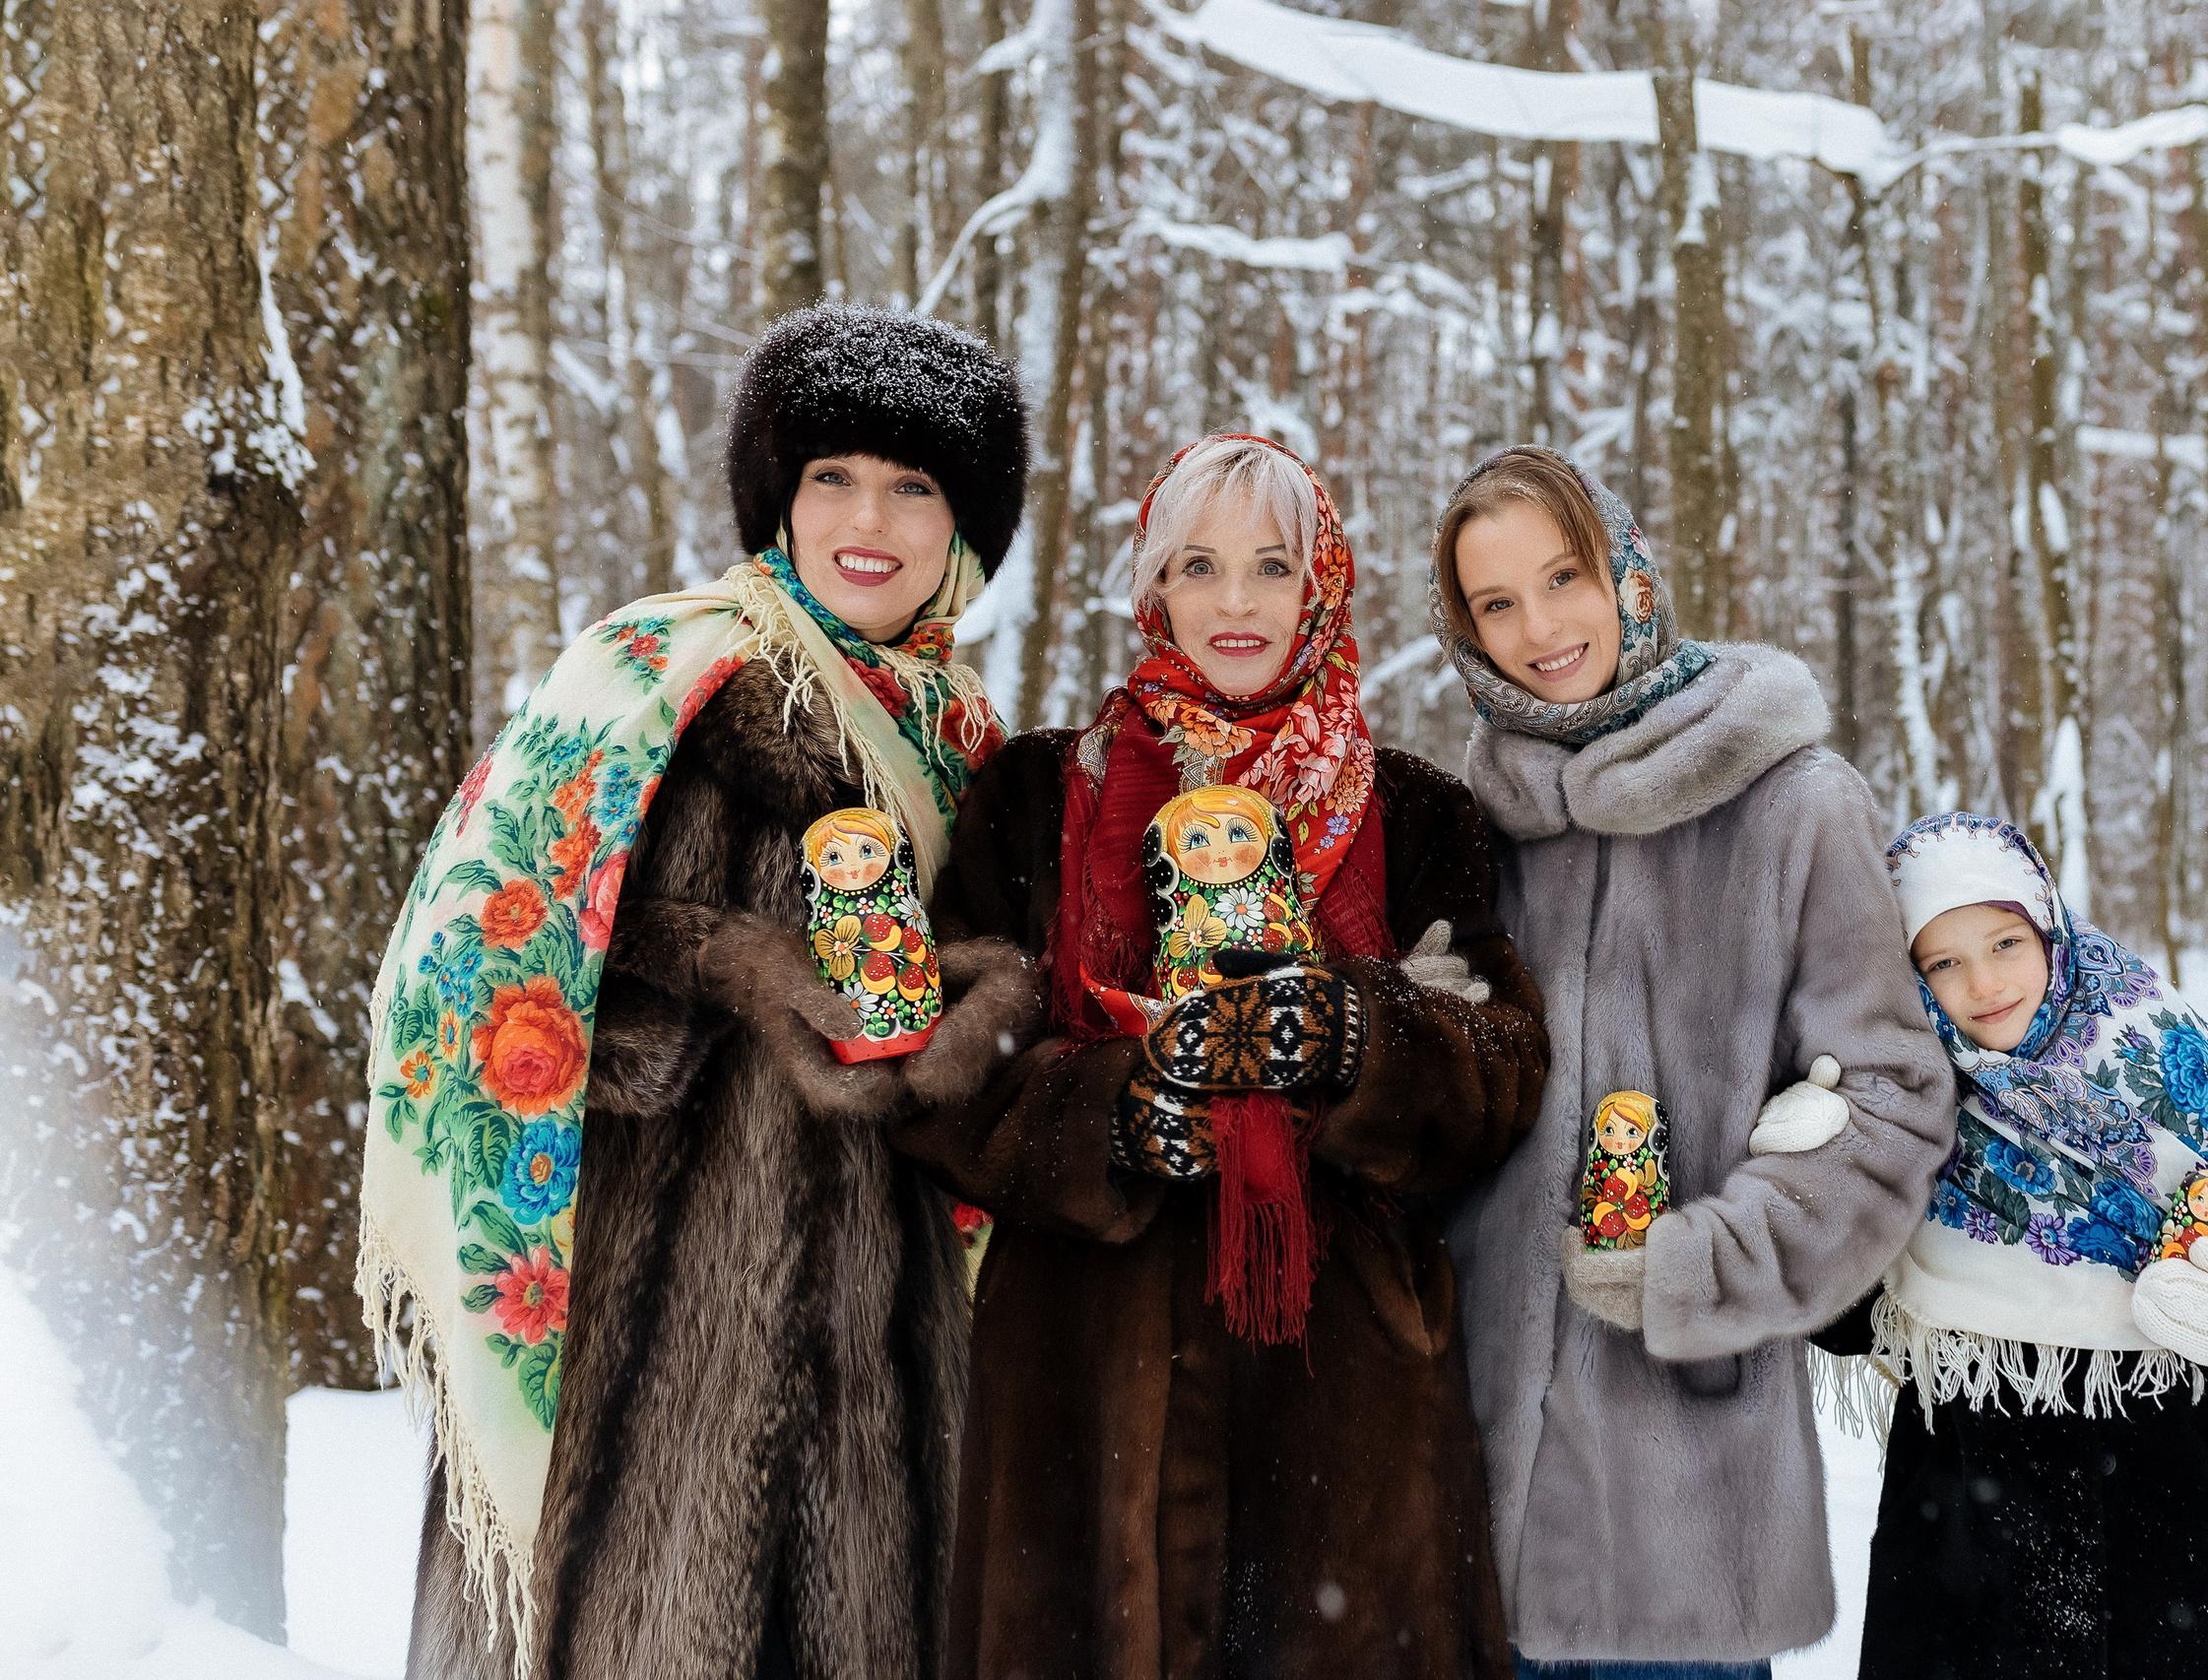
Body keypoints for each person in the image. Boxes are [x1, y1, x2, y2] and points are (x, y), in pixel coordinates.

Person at [363, 304, 1043, 1680]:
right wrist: (725, 970)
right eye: (832, 477)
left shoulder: (970, 744)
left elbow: (1006, 1014)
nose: (871, 517)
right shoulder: (656, 679)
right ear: (776, 502)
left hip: (884, 1374)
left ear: (962, 530)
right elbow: (485, 950)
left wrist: (975, 1005)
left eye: (915, 486)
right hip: (652, 1344)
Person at [892, 433, 1550, 1680]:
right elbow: (932, 1067)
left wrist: (1359, 1034)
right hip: (1081, 1372)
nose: (1236, 601)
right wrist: (1111, 1113)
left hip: (1346, 1383)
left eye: (1270, 564)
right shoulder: (1035, 794)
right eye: (1200, 564)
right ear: (1154, 587)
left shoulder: (1412, 810)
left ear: (1323, 584)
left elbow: (1504, 1063)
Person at [1432, 446, 1958, 1678]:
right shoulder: (1471, 818)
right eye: (1495, 603)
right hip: (1455, 1495)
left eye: (1562, 577)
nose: (1539, 627)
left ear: (1631, 577)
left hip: (1680, 1502)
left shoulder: (1792, 803)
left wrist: (1704, 1266)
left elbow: (1891, 1096)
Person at [1811, 810, 2208, 1679]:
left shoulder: (2162, 1065)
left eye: (2005, 942)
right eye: (1943, 960)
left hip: (2183, 1557)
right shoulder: (1898, 1098)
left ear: (2050, 928)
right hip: (1968, 1560)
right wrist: (1814, 1182)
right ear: (1911, 976)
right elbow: (1847, 1319)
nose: (1984, 982)